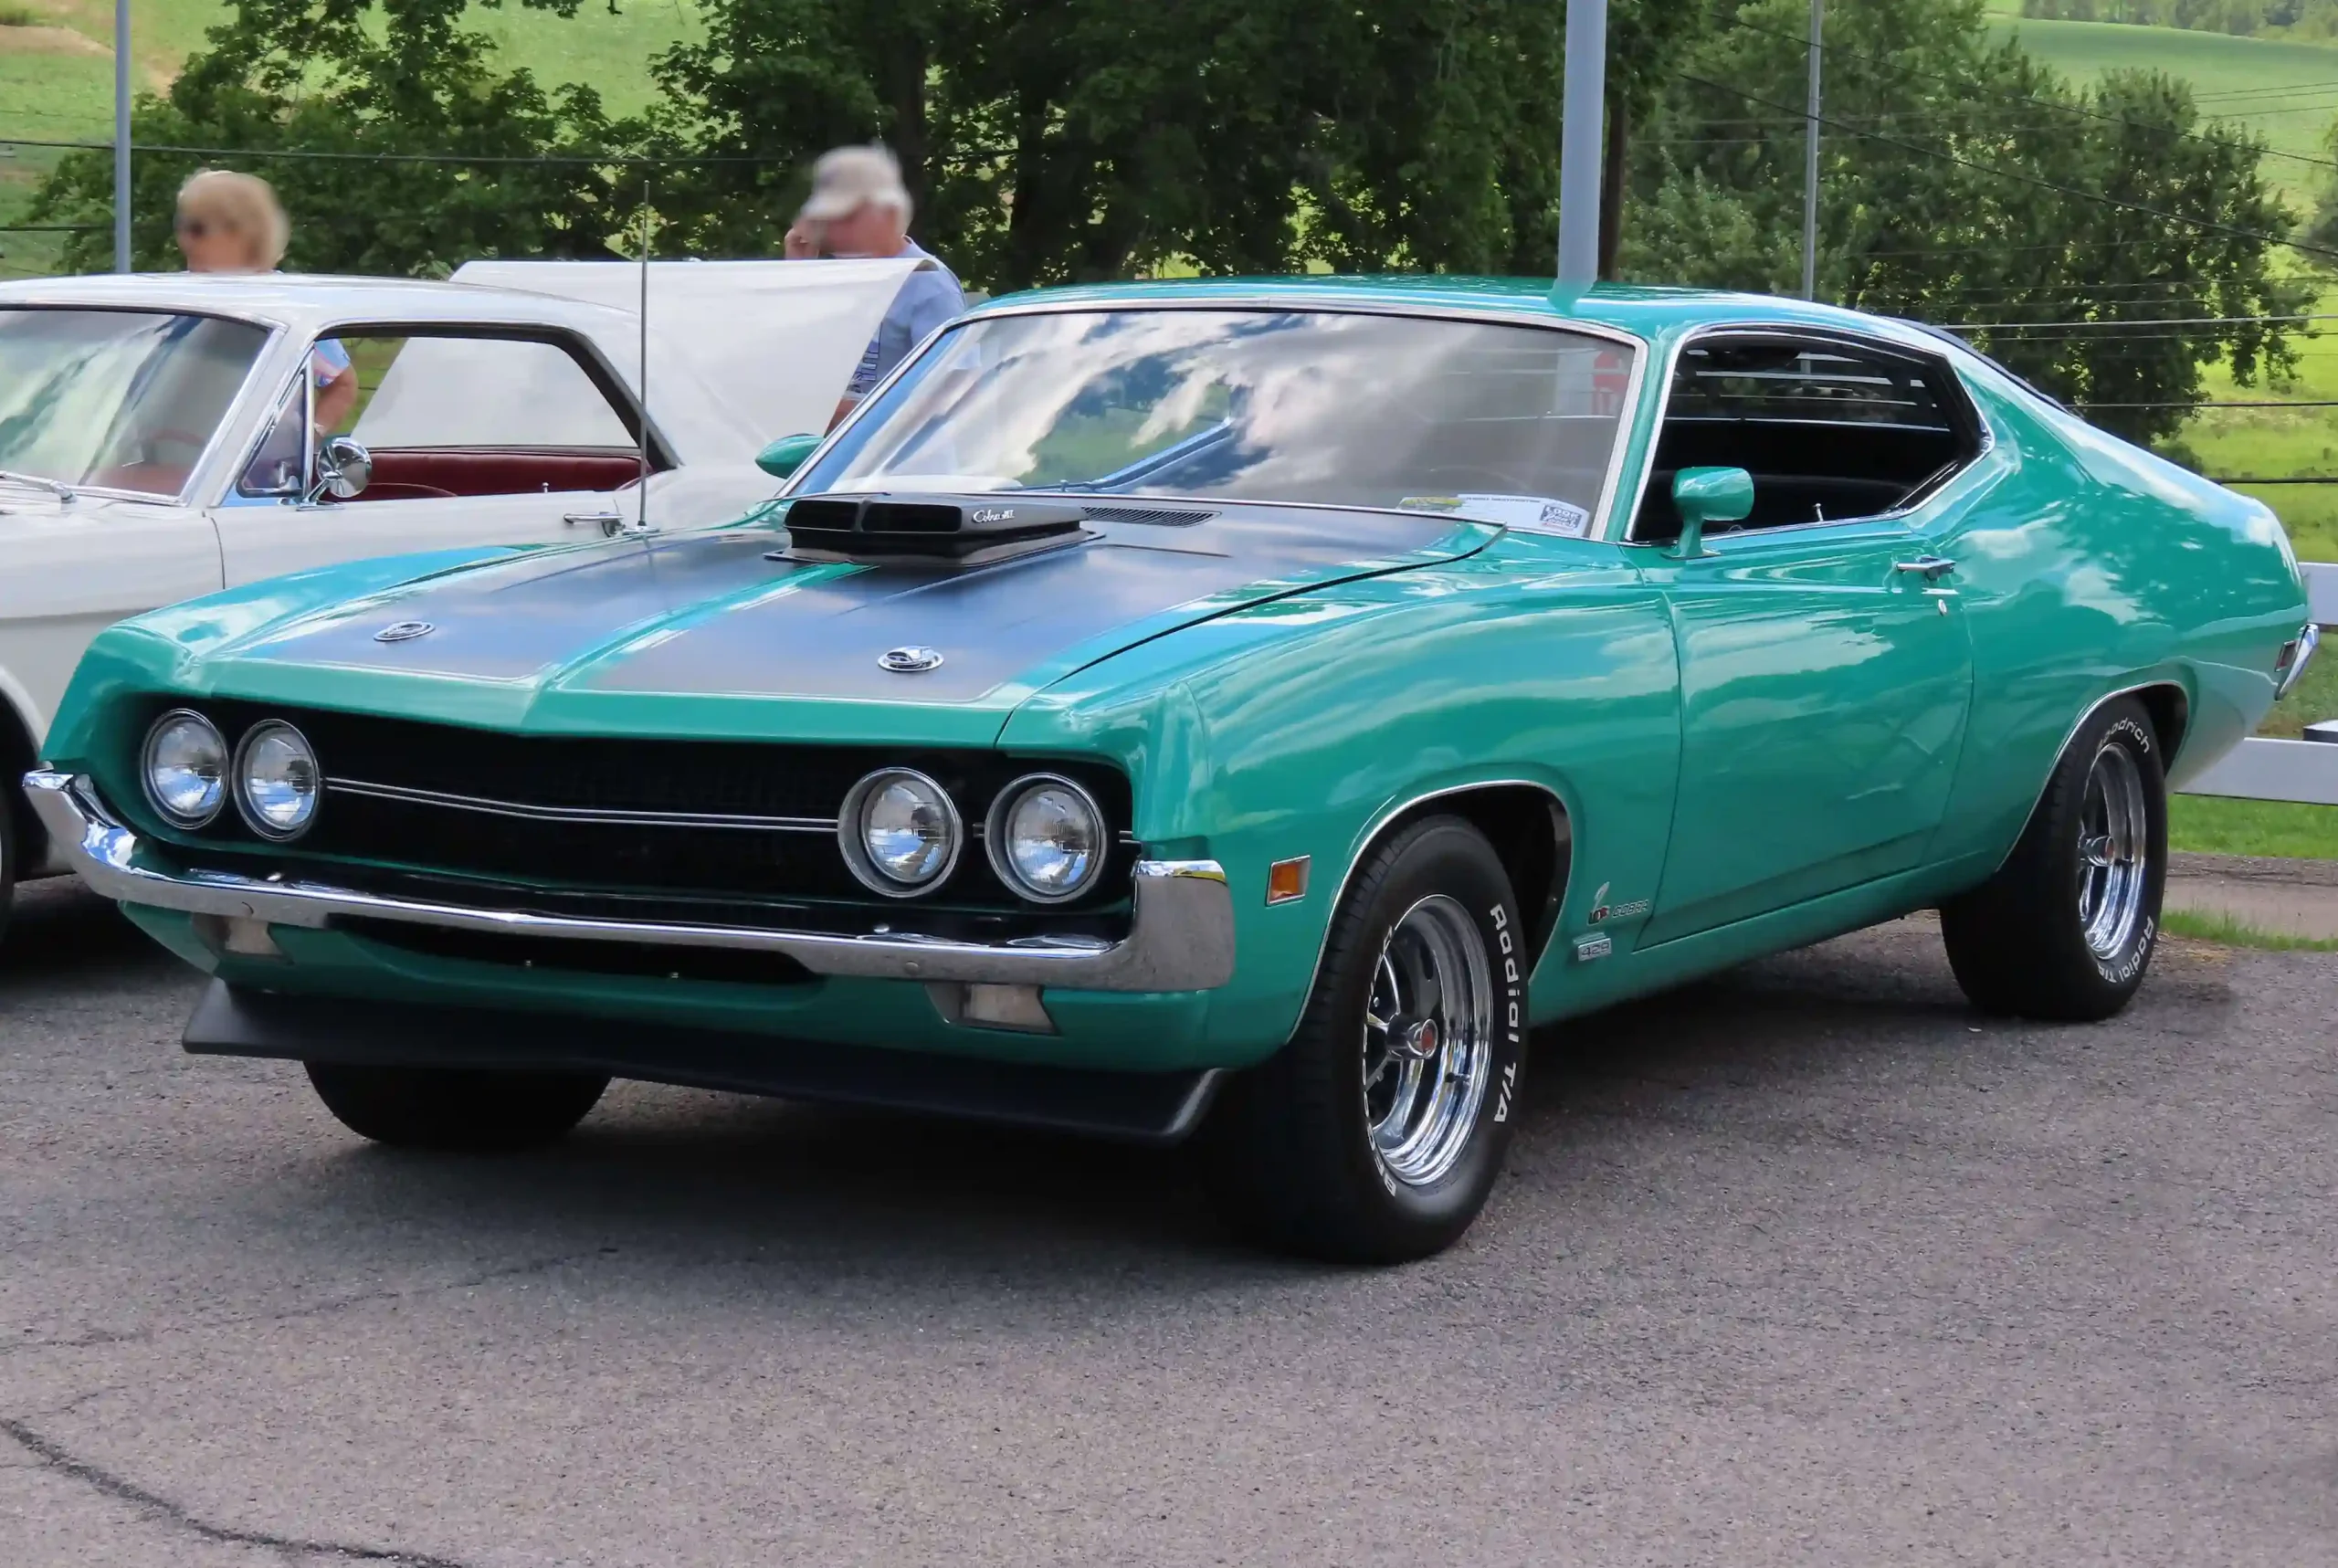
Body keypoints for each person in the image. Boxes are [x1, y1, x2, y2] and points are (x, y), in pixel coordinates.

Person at [784, 145, 965, 429]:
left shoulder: (927, 281)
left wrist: (850, 414)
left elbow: (953, 388)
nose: (835, 231)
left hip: (907, 465)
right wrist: (798, 274)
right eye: (829, 219)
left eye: (848, 217)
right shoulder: (837, 273)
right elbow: (793, 358)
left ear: (888, 213)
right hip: (838, 462)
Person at [174, 169, 359, 433]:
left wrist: (310, 435)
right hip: (165, 460)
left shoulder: (288, 307)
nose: (184, 237)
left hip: (256, 468)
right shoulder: (173, 296)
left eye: (197, 228)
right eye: (181, 224)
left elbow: (342, 384)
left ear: (243, 232)